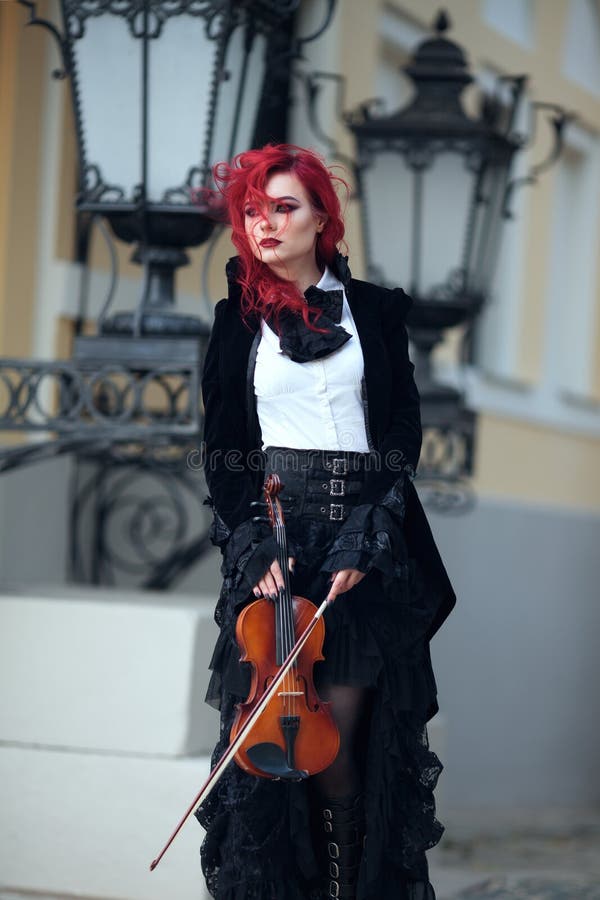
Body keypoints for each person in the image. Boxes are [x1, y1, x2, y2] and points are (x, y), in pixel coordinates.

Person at [194, 143, 456, 900]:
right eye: (252, 211)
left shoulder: (375, 311)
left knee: (339, 754)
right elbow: (224, 450)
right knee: (264, 763)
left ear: (321, 218)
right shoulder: (236, 318)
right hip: (276, 545)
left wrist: (369, 534)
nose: (264, 224)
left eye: (283, 207)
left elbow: (400, 431)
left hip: (362, 547)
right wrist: (247, 542)